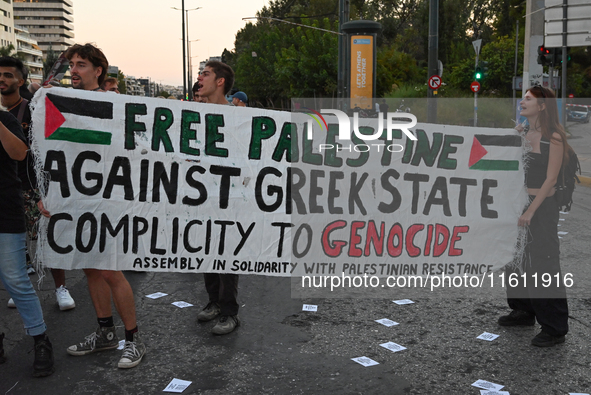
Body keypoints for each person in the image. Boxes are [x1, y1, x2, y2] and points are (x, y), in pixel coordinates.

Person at [38, 43, 146, 367]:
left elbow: (135, 150)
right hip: (76, 197)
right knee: (90, 267)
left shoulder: (112, 104)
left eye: (81, 64)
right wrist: (49, 194)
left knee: (111, 270)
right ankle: (105, 333)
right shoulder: (62, 105)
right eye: (71, 64)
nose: (73, 70)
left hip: (108, 199)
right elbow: (53, 153)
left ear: (98, 71)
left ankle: (133, 340)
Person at [0, 56, 76, 312]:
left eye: (8, 75)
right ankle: (21, 286)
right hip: (7, 190)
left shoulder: (35, 108)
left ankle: (60, 288)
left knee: (47, 238)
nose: (2, 79)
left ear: (20, 81)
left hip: (35, 185)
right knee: (16, 244)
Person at [498, 85, 569, 347]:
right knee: (515, 258)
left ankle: (554, 327)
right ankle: (523, 310)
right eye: (522, 98)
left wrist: (530, 210)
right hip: (518, 202)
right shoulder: (523, 132)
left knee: (543, 264)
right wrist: (513, 137)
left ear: (542, 106)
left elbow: (551, 180)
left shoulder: (554, 138)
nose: (522, 102)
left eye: (528, 99)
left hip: (541, 206)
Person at [0, 99, 54, 377]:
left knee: (16, 279)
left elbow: (20, 154)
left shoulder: (6, 120)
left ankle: (40, 339)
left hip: (5, 212)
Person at [195, 61, 240, 335]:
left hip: (229, 194)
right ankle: (213, 301)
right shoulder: (195, 113)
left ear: (220, 81)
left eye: (205, 74)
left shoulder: (236, 116)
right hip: (202, 193)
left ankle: (229, 312)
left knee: (227, 252)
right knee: (205, 249)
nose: (199, 78)